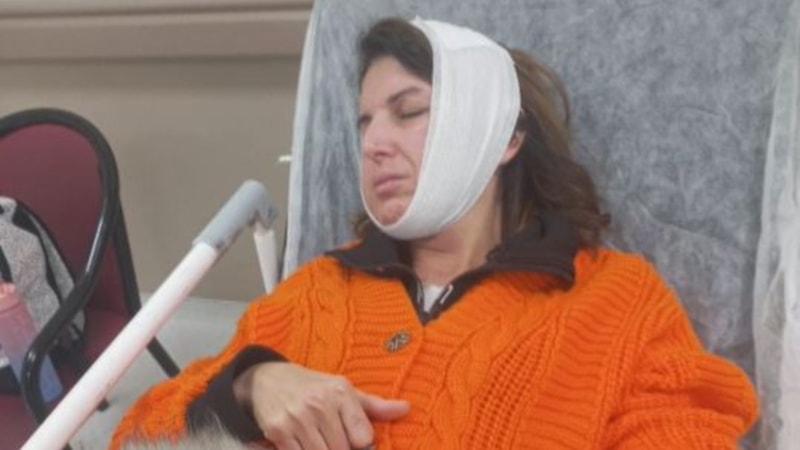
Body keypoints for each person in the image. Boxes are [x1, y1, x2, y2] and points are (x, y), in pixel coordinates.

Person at [111, 17, 758, 450]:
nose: (374, 144)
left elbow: (686, 431)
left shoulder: (618, 302)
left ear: (504, 136)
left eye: (409, 112)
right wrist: (250, 385)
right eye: (365, 123)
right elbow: (135, 431)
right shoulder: (315, 292)